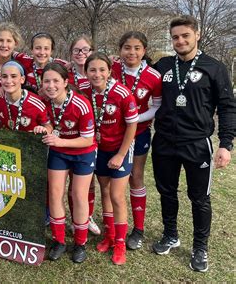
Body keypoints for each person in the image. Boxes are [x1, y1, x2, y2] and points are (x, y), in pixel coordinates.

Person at [151, 15, 235, 272]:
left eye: (185, 35)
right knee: (166, 192)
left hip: (196, 143)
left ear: (196, 35)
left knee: (199, 198)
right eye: (175, 37)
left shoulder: (214, 67)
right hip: (164, 141)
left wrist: (226, 144)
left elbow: (228, 107)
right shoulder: (163, 65)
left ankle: (200, 247)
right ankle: (171, 234)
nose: (180, 41)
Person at [82, 52, 138, 265]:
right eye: (92, 70)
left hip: (120, 149)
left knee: (116, 195)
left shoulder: (122, 93)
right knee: (104, 191)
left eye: (102, 70)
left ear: (109, 71)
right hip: (99, 149)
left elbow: (132, 125)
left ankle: (121, 243)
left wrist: (121, 154)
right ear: (86, 72)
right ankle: (110, 235)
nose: (97, 74)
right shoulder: (85, 92)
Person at [39, 63, 96, 263]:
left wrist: (60, 141)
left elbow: (88, 139)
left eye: (56, 81)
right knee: (55, 194)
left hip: (82, 153)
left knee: (79, 195)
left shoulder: (81, 103)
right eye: (47, 81)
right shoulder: (44, 102)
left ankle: (80, 243)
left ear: (65, 82)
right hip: (59, 152)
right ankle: (59, 241)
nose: (51, 85)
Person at [111, 31, 162, 250]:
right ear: (120, 49)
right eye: (127, 47)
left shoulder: (153, 76)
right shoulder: (110, 68)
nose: (131, 52)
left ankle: (138, 229)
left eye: (137, 48)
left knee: (136, 177)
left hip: (139, 132)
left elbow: (156, 106)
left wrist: (133, 119)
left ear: (144, 51)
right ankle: (112, 226)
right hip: (112, 132)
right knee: (109, 179)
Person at [67, 36, 100, 236]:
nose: (81, 54)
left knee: (89, 180)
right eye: (77, 50)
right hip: (70, 135)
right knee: (73, 180)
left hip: (95, 135)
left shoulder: (97, 73)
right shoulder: (64, 74)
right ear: (71, 54)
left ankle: (87, 216)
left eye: (86, 50)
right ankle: (75, 218)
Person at [0, 60, 50, 132]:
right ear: (0, 79)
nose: (8, 81)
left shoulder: (36, 103)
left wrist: (44, 129)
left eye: (13, 76)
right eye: (4, 76)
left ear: (22, 79)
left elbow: (48, 125)